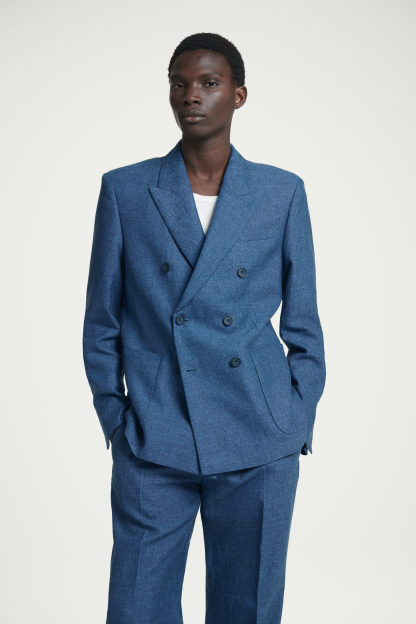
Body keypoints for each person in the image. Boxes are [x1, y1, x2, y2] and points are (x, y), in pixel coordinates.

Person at [83, 32, 326, 624]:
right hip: (155, 433)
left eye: (209, 83)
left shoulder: (281, 193)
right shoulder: (126, 190)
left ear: (238, 95)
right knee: (137, 608)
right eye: (180, 83)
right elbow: (101, 321)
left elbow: (304, 325)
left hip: (258, 435)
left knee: (248, 610)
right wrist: (116, 418)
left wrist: (293, 419)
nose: (191, 95)